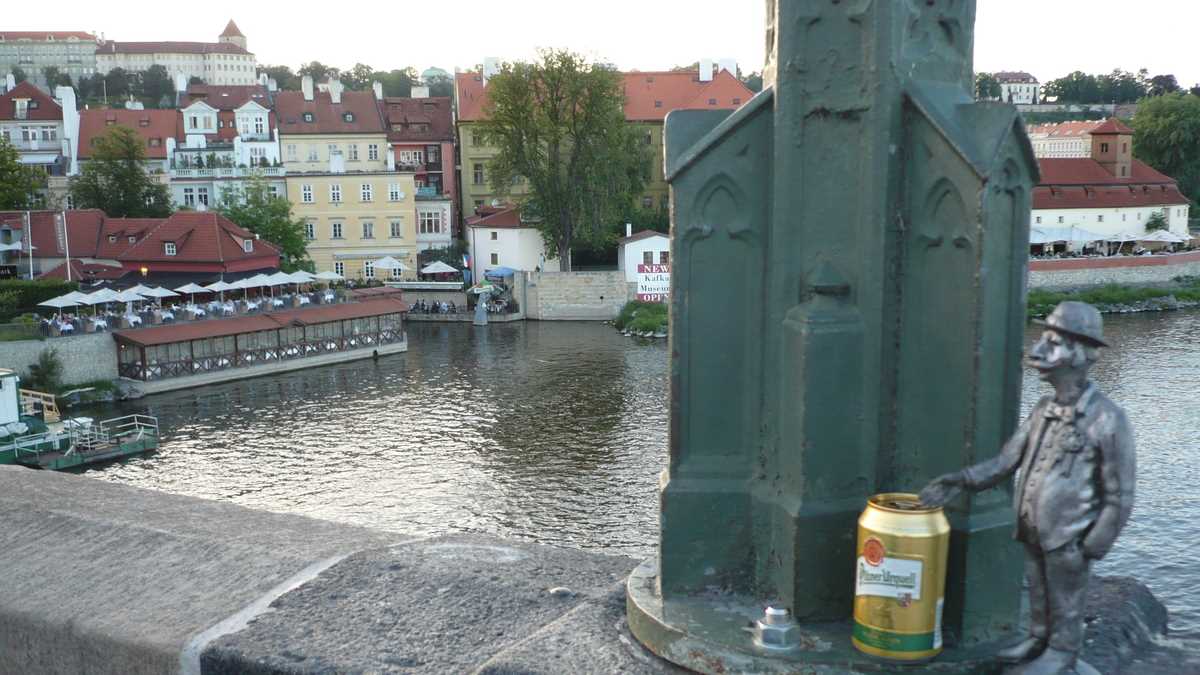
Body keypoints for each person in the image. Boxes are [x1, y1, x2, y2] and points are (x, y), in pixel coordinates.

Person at [920, 302, 1135, 675]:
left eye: (1050, 343)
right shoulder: (1042, 409)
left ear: (1079, 354)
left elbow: (1120, 495)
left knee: (1066, 596)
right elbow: (1006, 462)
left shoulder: (1108, 419)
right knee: (1036, 586)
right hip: (1033, 526)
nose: (1037, 351)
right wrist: (961, 480)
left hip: (1070, 536)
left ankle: (1062, 651)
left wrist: (1092, 544)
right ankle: (1039, 637)